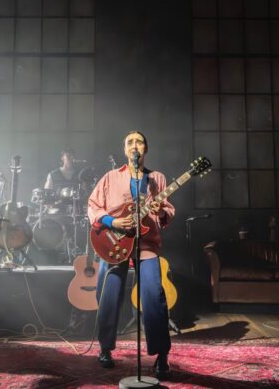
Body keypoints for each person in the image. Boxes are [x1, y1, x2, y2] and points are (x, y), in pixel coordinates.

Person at [87, 131, 174, 379]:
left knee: (154, 296)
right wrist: (113, 222)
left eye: (139, 142)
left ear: (146, 148)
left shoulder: (157, 178)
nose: (135, 145)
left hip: (146, 242)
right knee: (109, 295)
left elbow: (167, 210)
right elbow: (93, 206)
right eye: (130, 142)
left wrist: (161, 212)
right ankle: (105, 348)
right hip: (115, 242)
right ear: (125, 150)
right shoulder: (110, 177)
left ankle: (161, 354)